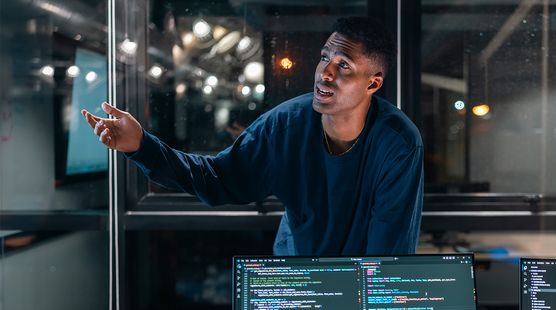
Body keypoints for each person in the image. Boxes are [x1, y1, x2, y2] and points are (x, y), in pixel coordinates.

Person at [82, 17, 423, 256]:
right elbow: (216, 178)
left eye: (343, 65)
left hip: (360, 286)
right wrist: (142, 146)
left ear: (373, 83)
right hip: (296, 278)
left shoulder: (398, 144)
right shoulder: (285, 126)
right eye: (324, 58)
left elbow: (387, 254)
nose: (325, 72)